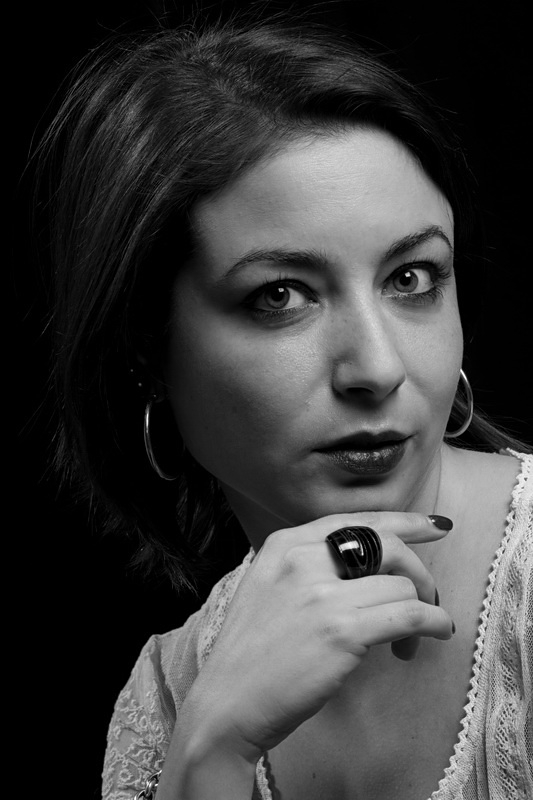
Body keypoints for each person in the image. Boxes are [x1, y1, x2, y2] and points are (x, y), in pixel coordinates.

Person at [36, 15, 532, 800]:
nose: (377, 368)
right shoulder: (167, 704)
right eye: (280, 296)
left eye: (410, 278)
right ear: (144, 350)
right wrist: (210, 754)